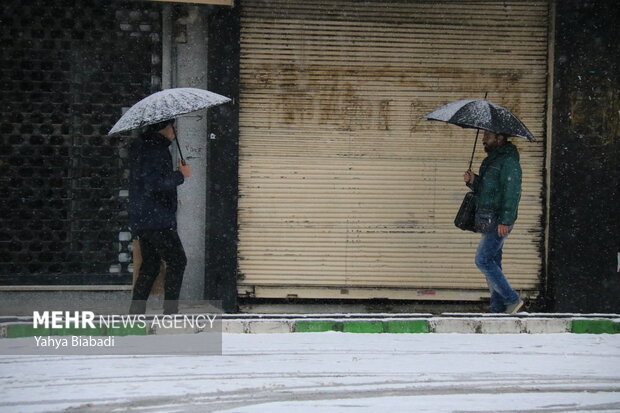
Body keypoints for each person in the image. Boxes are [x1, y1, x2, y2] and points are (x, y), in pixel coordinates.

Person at [128, 119, 191, 315]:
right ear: (164, 128)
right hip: (157, 218)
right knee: (178, 260)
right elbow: (154, 183)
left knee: (151, 264)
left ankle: (135, 313)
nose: (175, 131)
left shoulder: (145, 147)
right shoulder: (155, 150)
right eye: (173, 126)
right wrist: (180, 175)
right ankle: (170, 312)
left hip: (145, 217)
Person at [463, 130, 524, 314]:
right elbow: (488, 190)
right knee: (493, 261)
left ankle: (512, 299)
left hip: (498, 219)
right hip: (488, 217)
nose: (483, 139)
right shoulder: (494, 160)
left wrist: (505, 220)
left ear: (499, 138)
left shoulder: (509, 161)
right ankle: (497, 307)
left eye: (487, 136)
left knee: (483, 260)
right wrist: (473, 181)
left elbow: (512, 193)